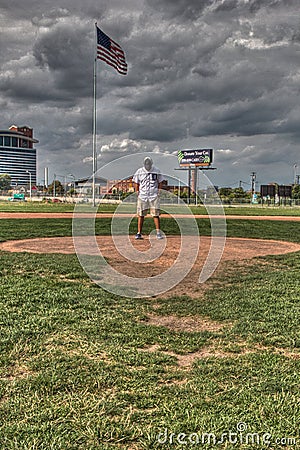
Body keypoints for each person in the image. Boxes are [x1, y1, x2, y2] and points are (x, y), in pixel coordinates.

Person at [133, 157, 165, 239]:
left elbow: (161, 182)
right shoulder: (139, 171)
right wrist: (137, 192)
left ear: (151, 163)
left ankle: (158, 233)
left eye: (149, 164)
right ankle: (139, 233)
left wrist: (159, 192)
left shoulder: (156, 170)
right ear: (144, 164)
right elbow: (136, 183)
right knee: (141, 215)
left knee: (156, 214)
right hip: (143, 196)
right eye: (146, 164)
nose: (147, 166)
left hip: (153, 195)